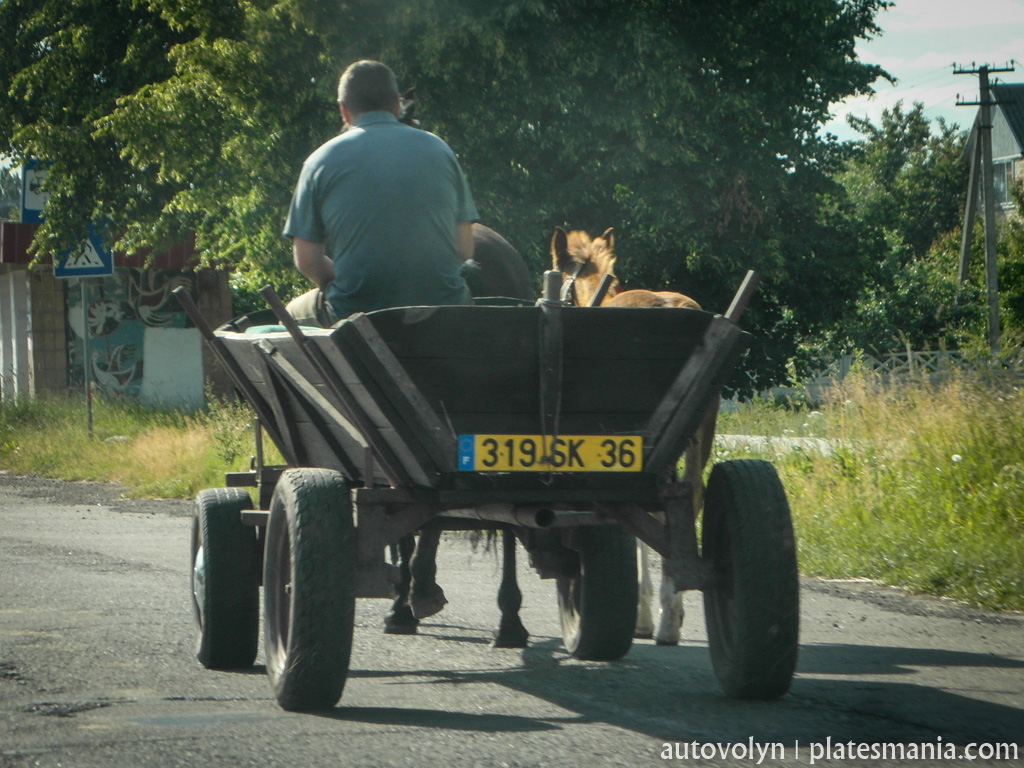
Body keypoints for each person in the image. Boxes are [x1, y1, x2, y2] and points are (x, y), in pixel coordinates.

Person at [283, 60, 479, 326]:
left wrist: (351, 279)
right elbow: (464, 249)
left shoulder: (319, 161)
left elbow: (306, 261)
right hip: (442, 306)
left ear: (344, 110)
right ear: (397, 104)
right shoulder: (440, 150)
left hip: (354, 312)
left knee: (290, 313)